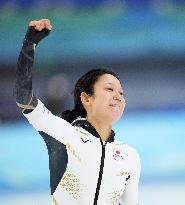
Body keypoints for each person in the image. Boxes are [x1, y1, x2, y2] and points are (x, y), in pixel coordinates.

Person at [14, 19, 141, 205]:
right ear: (86, 98)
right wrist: (29, 44)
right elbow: (24, 99)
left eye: (121, 92)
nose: (118, 96)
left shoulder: (129, 156)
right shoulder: (64, 135)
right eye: (109, 89)